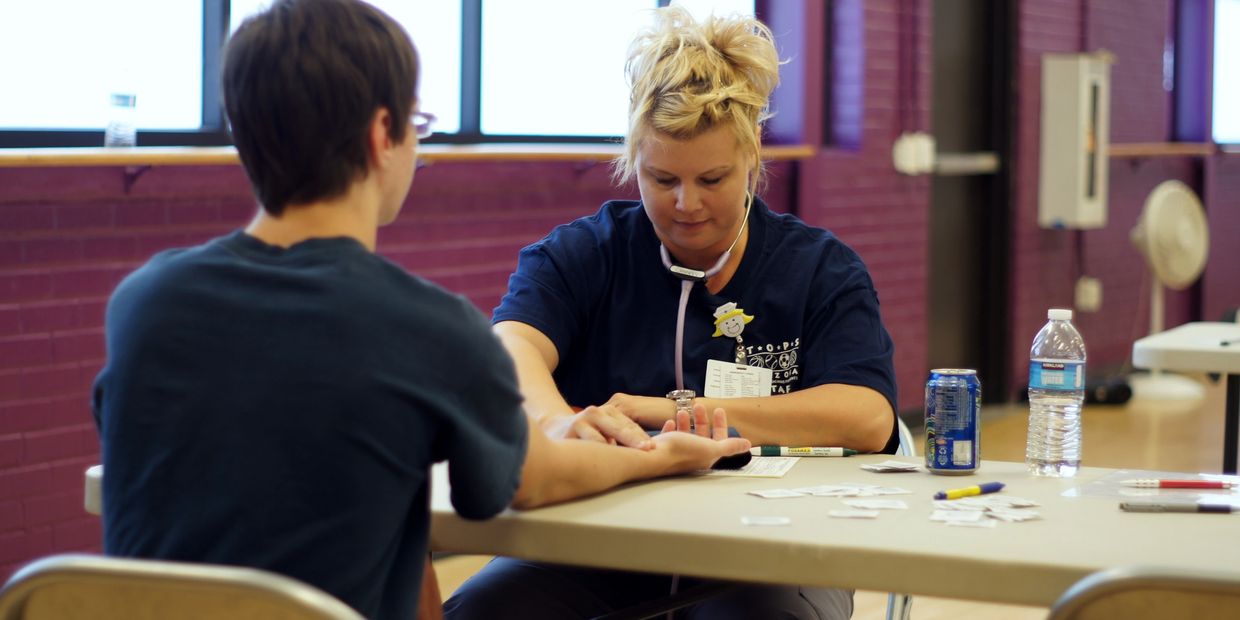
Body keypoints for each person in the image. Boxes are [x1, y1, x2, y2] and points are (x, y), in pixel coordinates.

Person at [90, 2, 749, 619]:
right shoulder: (425, 329)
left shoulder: (142, 303)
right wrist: (663, 456)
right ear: (383, 133)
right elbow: (535, 481)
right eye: (417, 124)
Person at [444, 6, 897, 620]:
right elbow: (511, 348)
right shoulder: (584, 254)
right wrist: (555, 425)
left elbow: (867, 416)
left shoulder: (820, 269)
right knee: (480, 612)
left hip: (770, 544)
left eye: (712, 178)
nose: (686, 204)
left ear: (753, 156)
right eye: (662, 179)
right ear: (634, 161)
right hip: (597, 543)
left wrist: (667, 412)